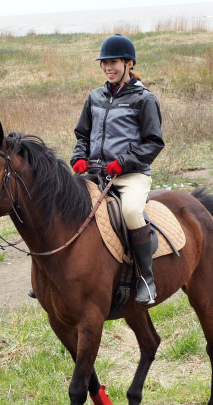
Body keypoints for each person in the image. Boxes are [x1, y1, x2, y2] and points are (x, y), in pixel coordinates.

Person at [71, 34, 165, 305]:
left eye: (113, 63)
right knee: (64, 203)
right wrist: (78, 157)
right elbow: (82, 135)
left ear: (128, 63)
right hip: (96, 172)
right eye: (104, 63)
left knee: (131, 211)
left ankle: (146, 279)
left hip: (131, 175)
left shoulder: (145, 99)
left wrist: (123, 162)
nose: (107, 68)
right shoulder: (94, 97)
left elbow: (153, 143)